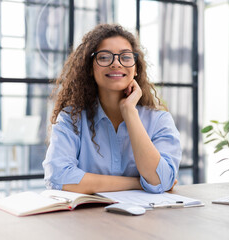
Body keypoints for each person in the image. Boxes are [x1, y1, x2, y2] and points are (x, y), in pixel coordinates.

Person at [42, 24, 182, 194]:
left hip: (146, 218)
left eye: (126, 57)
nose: (116, 63)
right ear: (90, 68)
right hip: (86, 218)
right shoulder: (71, 119)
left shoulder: (159, 120)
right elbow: (58, 177)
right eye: (104, 57)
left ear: (136, 68)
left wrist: (129, 111)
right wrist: (137, 183)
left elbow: (161, 180)